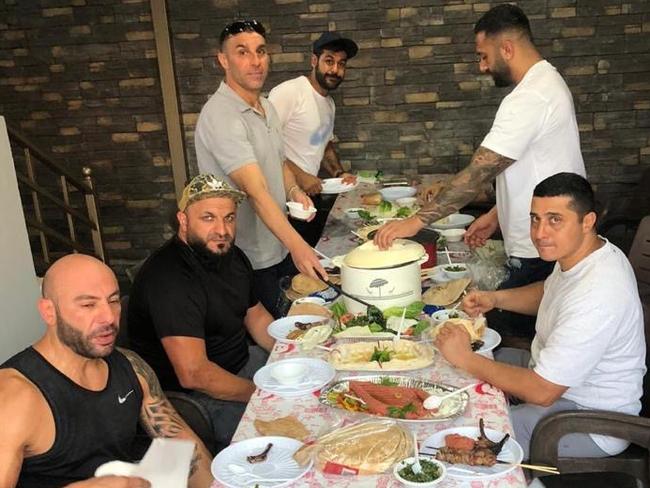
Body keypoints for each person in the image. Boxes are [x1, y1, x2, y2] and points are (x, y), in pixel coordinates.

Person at [374, 4, 585, 341]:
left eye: (483, 55)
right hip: (541, 238)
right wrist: (496, 214)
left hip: (542, 247)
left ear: (507, 49)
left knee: (497, 333)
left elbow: (478, 172)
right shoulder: (546, 83)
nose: (482, 65)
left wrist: (414, 223)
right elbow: (536, 168)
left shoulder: (530, 96)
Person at [435, 173, 646, 460]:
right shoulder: (585, 253)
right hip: (559, 382)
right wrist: (494, 299)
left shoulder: (600, 292)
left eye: (555, 219)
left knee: (464, 432)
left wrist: (465, 357)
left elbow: (542, 391)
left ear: (588, 221)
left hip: (587, 419)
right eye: (536, 218)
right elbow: (548, 292)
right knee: (457, 376)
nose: (540, 232)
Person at [0, 254, 213, 488]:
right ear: (49, 312)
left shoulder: (130, 364)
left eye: (113, 301)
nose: (109, 318)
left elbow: (181, 447)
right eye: (88, 304)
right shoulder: (14, 397)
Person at [127, 174, 275, 449]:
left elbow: (255, 315)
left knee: (314, 383)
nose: (222, 230)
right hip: (197, 397)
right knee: (285, 435)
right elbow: (194, 374)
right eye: (208, 218)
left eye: (229, 218)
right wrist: (262, 394)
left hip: (242, 363)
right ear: (183, 221)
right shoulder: (170, 279)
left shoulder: (230, 254)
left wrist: (290, 349)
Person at [194, 19, 327, 317]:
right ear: (223, 60)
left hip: (277, 244)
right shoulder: (221, 115)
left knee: (302, 324)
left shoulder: (266, 106)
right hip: (248, 258)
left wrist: (293, 189)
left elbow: (278, 161)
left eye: (260, 51)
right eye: (242, 53)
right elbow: (254, 191)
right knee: (283, 337)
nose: (255, 62)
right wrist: (299, 245)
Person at [268, 31, 358, 247]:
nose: (335, 70)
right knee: (288, 265)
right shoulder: (289, 92)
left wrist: (339, 172)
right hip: (284, 200)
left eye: (341, 64)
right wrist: (300, 177)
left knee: (311, 258)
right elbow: (264, 144)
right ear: (314, 60)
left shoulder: (329, 104)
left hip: (310, 196)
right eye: (329, 61)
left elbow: (324, 145)